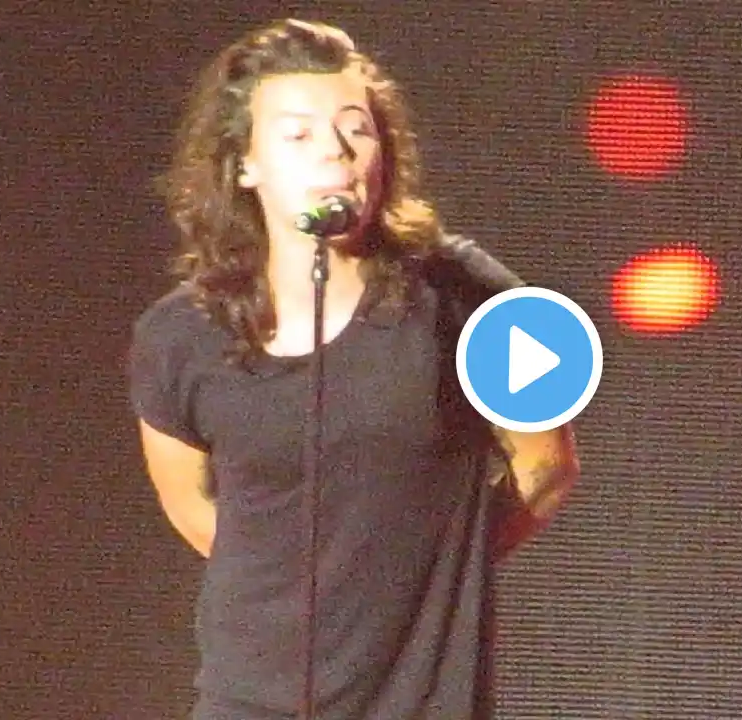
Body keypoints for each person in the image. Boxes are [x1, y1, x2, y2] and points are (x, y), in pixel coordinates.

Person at [126, 19, 580, 720]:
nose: (334, 152)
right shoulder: (180, 336)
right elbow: (191, 504)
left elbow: (546, 467)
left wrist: (429, 570)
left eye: (355, 129)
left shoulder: (460, 297)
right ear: (244, 164)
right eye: (298, 135)